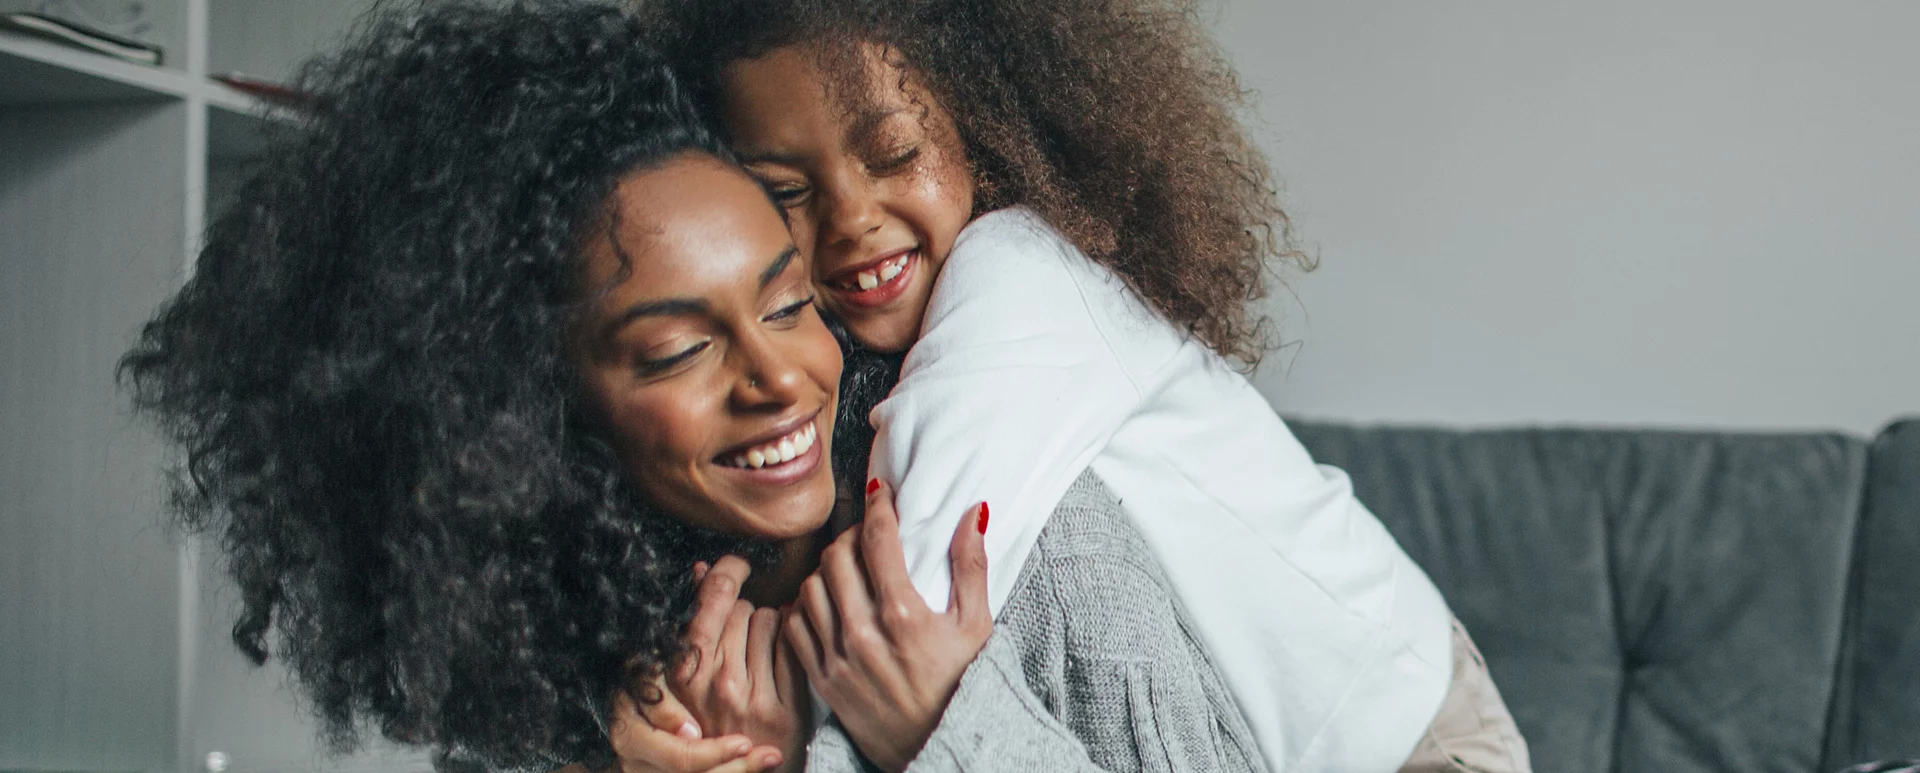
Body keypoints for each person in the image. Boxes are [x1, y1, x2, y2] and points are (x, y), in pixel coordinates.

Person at [121, 3, 1268, 772]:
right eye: (677, 351)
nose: (779, 377)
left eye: (786, 303)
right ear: (525, 414)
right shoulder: (591, 652)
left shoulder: (1014, 532)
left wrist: (947, 724)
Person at [640, 1, 1534, 771]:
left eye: (893, 153)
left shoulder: (1020, 274)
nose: (851, 220)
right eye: (787, 190)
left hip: (1409, 740)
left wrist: (736, 720)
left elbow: (902, 608)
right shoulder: (848, 352)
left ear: (978, 125)